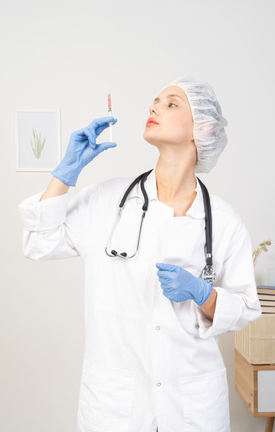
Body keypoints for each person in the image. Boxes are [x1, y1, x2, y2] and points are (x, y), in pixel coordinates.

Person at [18, 76, 261, 432]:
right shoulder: (107, 200)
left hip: (192, 405)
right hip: (117, 404)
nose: (154, 107)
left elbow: (246, 307)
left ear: (202, 128)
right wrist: (66, 172)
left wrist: (203, 294)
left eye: (172, 103)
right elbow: (39, 242)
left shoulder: (223, 221)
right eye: (155, 101)